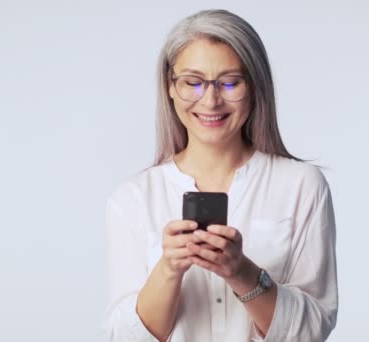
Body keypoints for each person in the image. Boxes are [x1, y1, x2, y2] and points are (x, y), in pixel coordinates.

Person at [105, 9, 338, 342]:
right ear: (170, 87)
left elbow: (311, 330)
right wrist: (169, 268)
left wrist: (240, 270)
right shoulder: (133, 198)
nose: (211, 100)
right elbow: (124, 337)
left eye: (230, 82)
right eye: (193, 82)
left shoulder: (301, 186)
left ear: (255, 86)